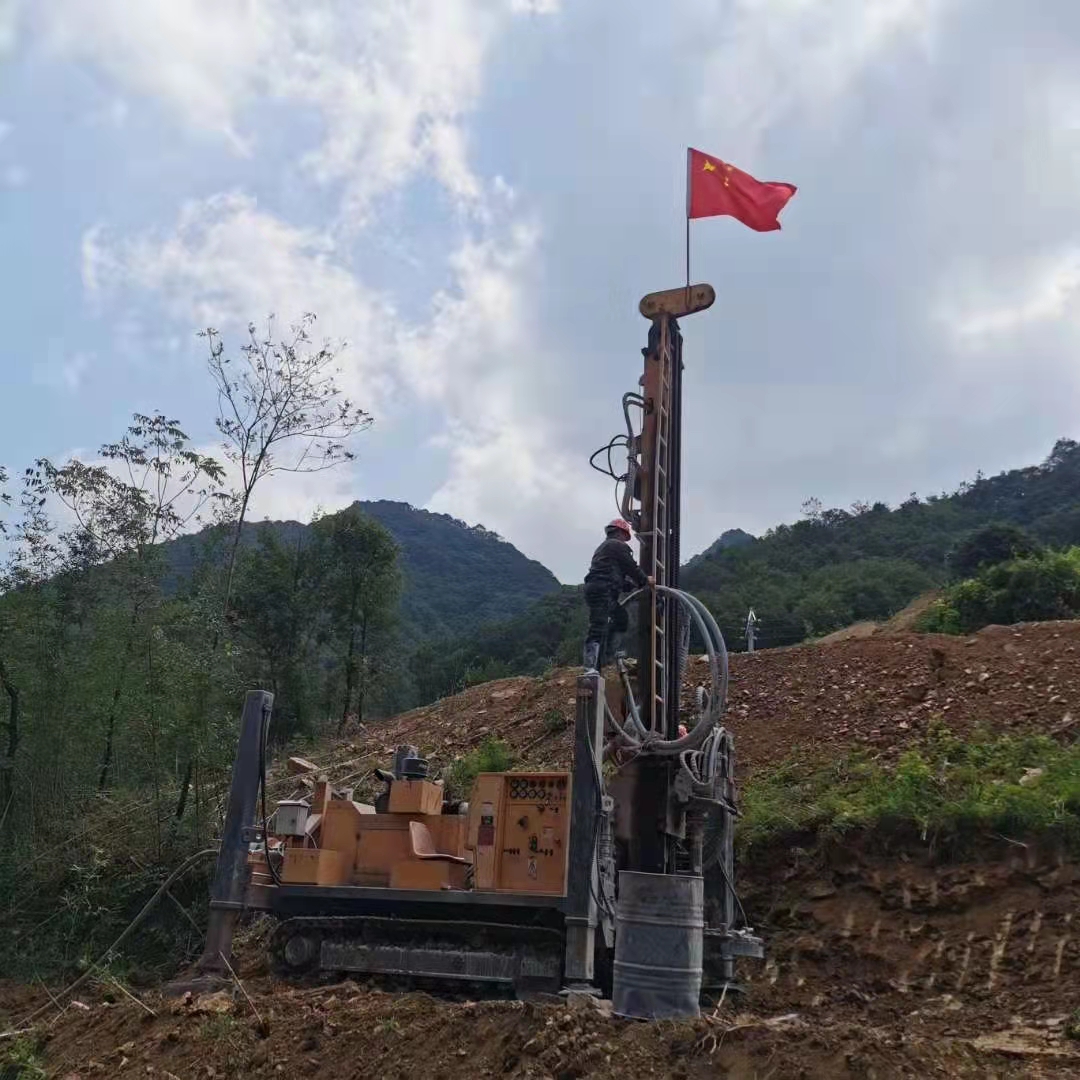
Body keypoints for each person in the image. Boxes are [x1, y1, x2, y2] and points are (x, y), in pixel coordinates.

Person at [582, 518, 653, 674]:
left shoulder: (605, 548)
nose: (625, 539)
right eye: (625, 535)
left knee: (621, 618)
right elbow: (631, 567)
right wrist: (644, 580)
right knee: (598, 626)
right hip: (602, 590)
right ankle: (590, 666)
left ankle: (607, 656)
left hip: (602, 589)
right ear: (620, 532)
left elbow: (617, 575)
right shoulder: (616, 545)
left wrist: (634, 585)